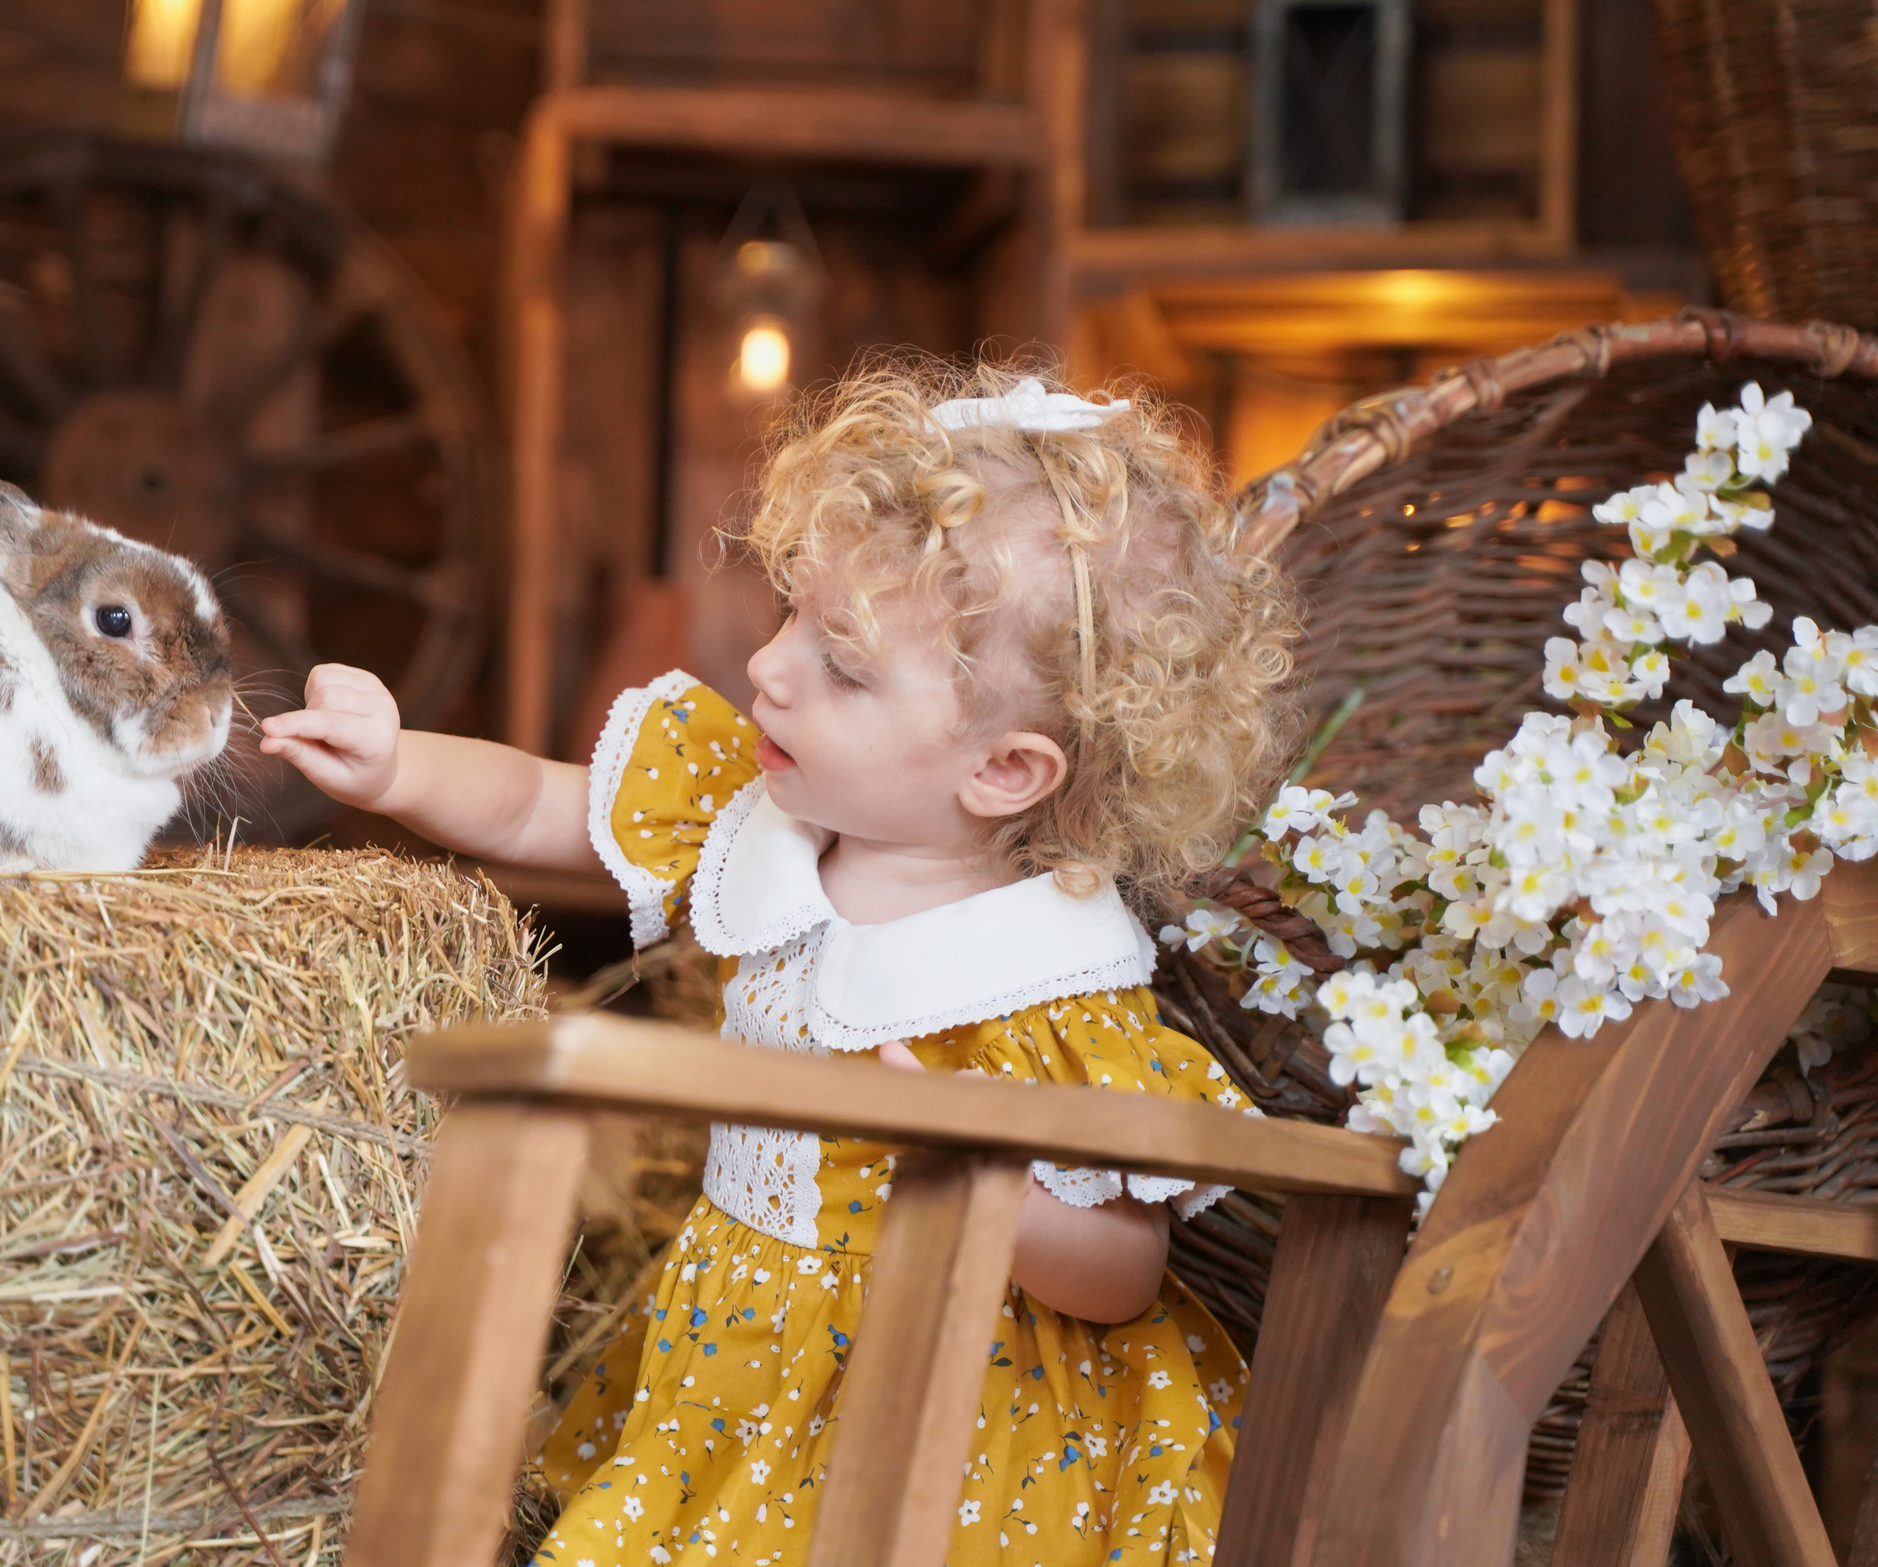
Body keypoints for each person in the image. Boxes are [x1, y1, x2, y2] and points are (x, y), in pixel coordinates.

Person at [261, 353, 1300, 1564]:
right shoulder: (764, 821)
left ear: (1002, 770)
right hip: (740, 1353)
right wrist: (399, 768)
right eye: (793, 614)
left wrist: (993, 1184)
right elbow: (546, 808)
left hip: (947, 1415)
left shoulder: (1041, 984)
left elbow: (1123, 1272)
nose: (769, 668)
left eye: (843, 667)